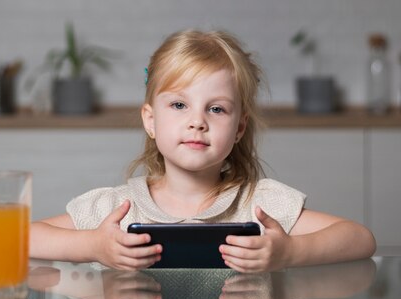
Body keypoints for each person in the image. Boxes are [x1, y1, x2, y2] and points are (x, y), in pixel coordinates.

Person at [30, 29, 376, 271]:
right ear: (150, 121)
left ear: (239, 128)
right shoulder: (116, 210)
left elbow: (359, 239)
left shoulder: (259, 206)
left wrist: (289, 252)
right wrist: (92, 246)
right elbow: (19, 239)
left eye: (216, 109)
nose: (198, 121)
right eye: (179, 105)